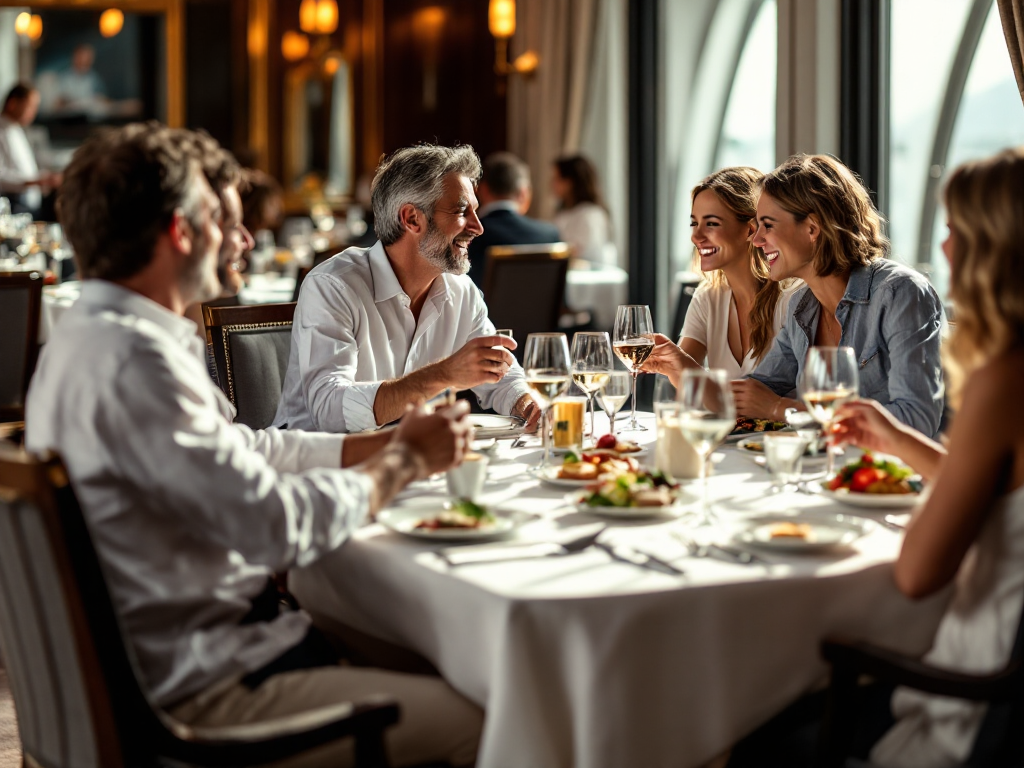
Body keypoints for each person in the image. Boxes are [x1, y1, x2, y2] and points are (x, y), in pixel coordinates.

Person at [25, 122, 483, 768]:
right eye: (223, 221)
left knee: (449, 652)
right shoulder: (136, 365)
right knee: (488, 716)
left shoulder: (93, 338)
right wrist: (401, 466)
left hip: (183, 653)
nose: (242, 239)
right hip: (206, 688)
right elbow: (274, 527)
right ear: (181, 232)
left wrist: (376, 449)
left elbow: (242, 453)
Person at [729, 146, 1024, 768]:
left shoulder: (1001, 380)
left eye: (955, 232)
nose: (944, 250)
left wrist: (789, 413)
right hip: (980, 656)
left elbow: (916, 576)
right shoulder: (802, 305)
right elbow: (761, 390)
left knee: (745, 727)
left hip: (974, 703)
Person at [272, 143, 542, 434]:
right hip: (321, 465)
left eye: (476, 212)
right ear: (412, 218)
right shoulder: (334, 286)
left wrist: (527, 403)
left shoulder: (461, 291)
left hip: (411, 461)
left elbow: (500, 373)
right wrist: (443, 374)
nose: (478, 227)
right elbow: (330, 411)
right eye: (462, 211)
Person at [732, 154, 945, 438]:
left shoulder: (900, 294)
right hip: (831, 471)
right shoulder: (801, 307)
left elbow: (916, 421)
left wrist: (781, 409)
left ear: (812, 228)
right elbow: (754, 393)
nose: (756, 239)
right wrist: (681, 369)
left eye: (767, 225)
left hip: (897, 477)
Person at [642, 167, 799, 384]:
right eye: (694, 223)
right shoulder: (708, 297)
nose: (696, 236)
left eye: (711, 224)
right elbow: (686, 388)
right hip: (723, 419)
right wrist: (672, 363)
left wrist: (682, 368)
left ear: (750, 230)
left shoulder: (792, 298)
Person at [466, 151, 560, 288]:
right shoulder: (549, 235)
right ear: (523, 193)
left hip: (486, 310)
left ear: (481, 190)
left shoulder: (468, 236)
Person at [0, 83, 60, 216]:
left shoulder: (16, 129)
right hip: (12, 206)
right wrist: (34, 181)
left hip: (28, 205)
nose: (34, 112)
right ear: (13, 103)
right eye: (30, 106)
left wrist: (44, 178)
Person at [551, 153, 616, 266]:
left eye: (557, 179)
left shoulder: (590, 215)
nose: (552, 184)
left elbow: (581, 254)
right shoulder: (564, 212)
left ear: (570, 183)